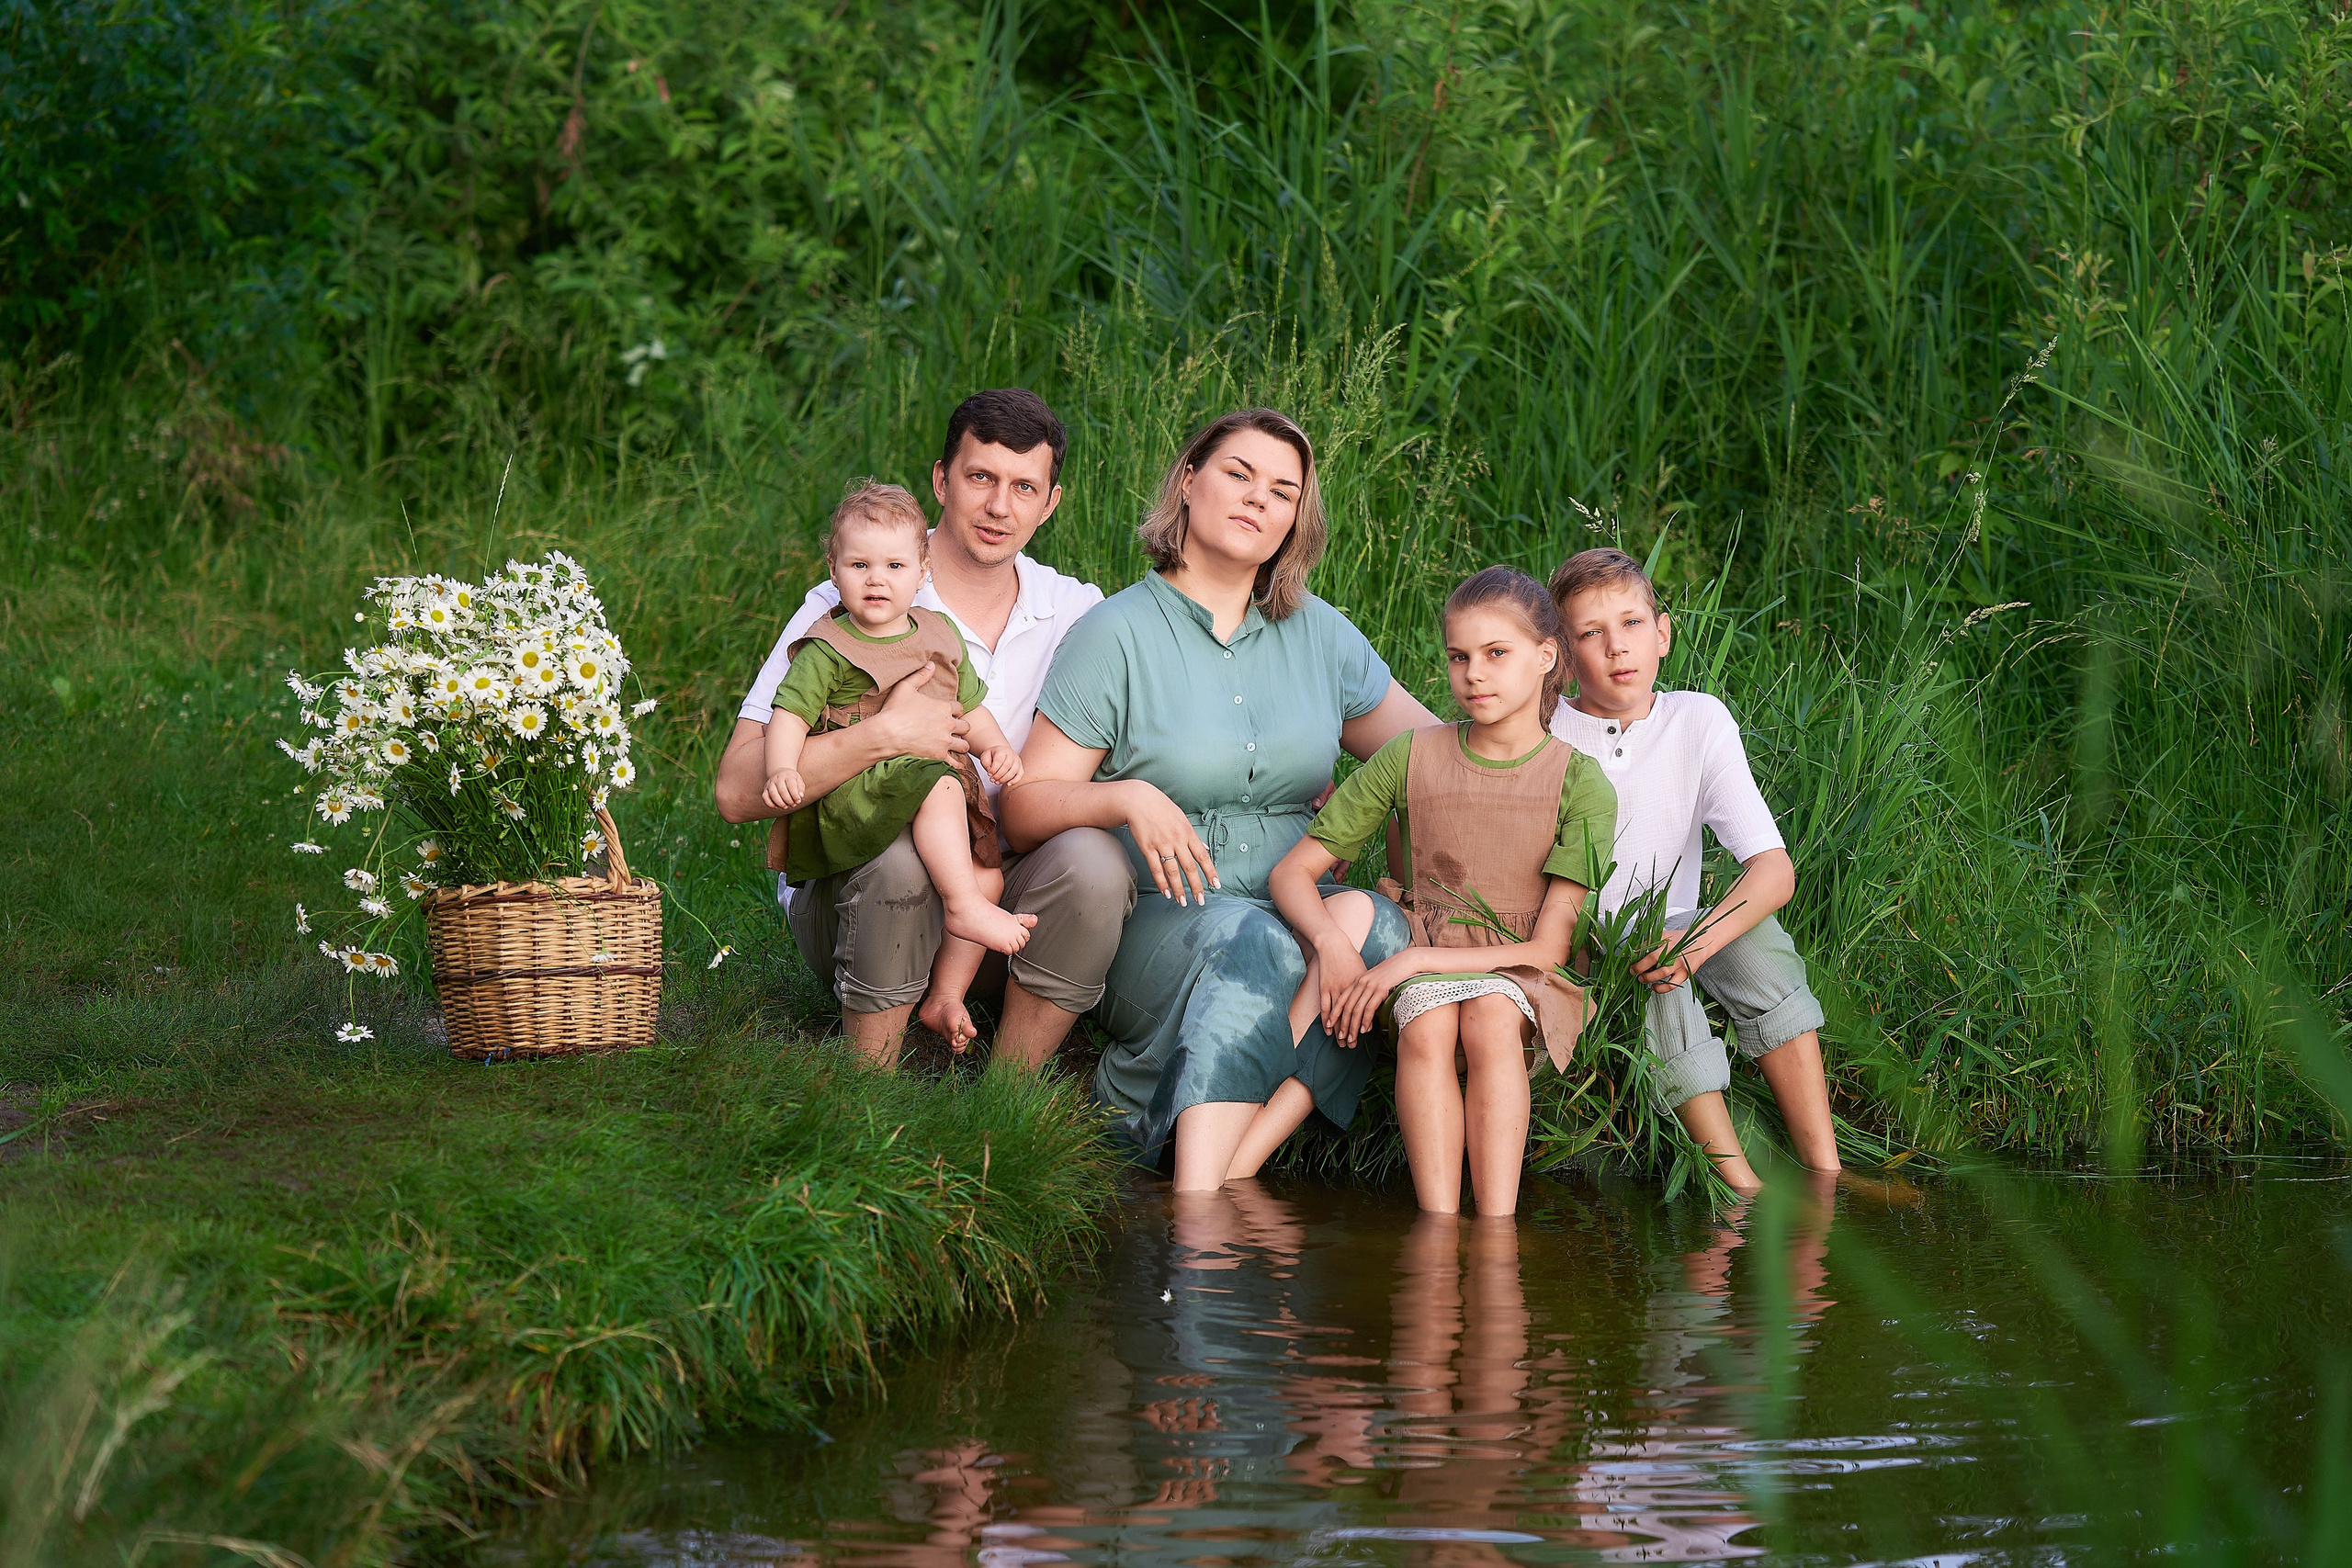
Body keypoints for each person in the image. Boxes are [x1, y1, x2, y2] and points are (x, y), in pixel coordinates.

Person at [1000, 407, 1440, 1189]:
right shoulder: (1116, 634)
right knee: (1252, 942)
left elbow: (1434, 761)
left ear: (1294, 522)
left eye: (1282, 491)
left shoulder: (1322, 634)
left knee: (1383, 932)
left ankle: (1228, 1176)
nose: (1257, 500)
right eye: (1238, 475)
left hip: (1292, 898)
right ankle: (1164, 1159)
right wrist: (1123, 796)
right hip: (1159, 919)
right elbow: (1024, 804)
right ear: (1189, 481)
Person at [715, 390, 1134, 1069]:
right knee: (899, 853)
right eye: (981, 478)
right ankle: (868, 1090)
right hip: (861, 898)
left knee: (1094, 863)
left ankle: (1009, 1100)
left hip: (996, 907)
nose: (1000, 506)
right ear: (941, 480)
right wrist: (883, 734)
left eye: (1024, 486)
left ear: (1050, 503)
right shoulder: (858, 600)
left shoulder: (1076, 611)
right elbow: (735, 791)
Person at [1270, 568, 1614, 1215]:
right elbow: (1292, 873)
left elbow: (1546, 949)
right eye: (1459, 657)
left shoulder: (1579, 781)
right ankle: (1436, 1225)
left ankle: (1496, 1228)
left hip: (1525, 969)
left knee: (1487, 1019)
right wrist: (1332, 944)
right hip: (1430, 951)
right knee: (1426, 1021)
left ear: (1546, 658)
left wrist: (1411, 959)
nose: (1473, 674)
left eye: (1495, 654)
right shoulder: (1411, 754)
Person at [1547, 546, 1842, 1190]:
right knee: (1655, 951)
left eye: (1631, 624)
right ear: (1563, 656)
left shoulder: (1696, 719)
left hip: (1672, 927)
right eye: (1590, 633)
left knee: (1755, 937)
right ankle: (1738, 1181)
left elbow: (1773, 870)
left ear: (1663, 633)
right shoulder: (1542, 729)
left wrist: (1695, 943)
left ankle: (1826, 1170)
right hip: (1580, 939)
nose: (1617, 648)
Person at [759, 482, 1038, 1035]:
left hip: (936, 790)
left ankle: (945, 995)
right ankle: (960, 905)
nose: (876, 578)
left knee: (989, 879)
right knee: (938, 790)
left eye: (893, 564)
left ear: (922, 570)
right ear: (833, 571)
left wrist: (996, 748)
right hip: (863, 795)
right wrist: (783, 768)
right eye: (859, 564)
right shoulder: (829, 645)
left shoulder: (937, 634)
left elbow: (969, 706)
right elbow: (788, 715)